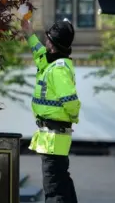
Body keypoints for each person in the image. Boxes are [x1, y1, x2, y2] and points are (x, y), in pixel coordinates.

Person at [21, 18, 81, 203]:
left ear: (53, 44)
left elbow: (71, 101)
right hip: (52, 136)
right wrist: (29, 33)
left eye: (48, 39)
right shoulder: (52, 62)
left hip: (54, 136)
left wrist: (71, 117)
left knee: (54, 189)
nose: (45, 41)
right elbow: (39, 54)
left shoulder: (58, 69)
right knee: (62, 181)